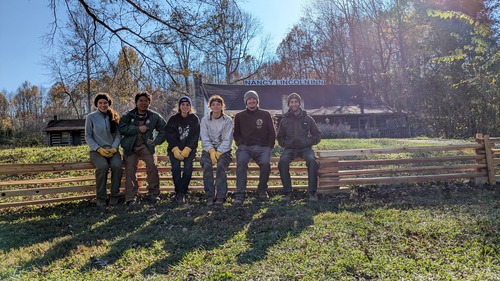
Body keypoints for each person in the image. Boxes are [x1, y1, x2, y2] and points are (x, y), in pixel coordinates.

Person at [119, 91, 167, 205]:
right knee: (130, 169)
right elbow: (122, 128)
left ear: (149, 103)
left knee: (152, 166)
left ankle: (153, 194)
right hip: (131, 147)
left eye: (146, 101)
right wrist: (138, 129)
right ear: (136, 102)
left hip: (146, 146)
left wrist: (156, 141)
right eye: (141, 101)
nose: (143, 103)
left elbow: (164, 129)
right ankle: (131, 198)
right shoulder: (127, 115)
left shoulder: (154, 116)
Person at [233, 90, 276, 206]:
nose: (251, 101)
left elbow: (272, 133)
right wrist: (241, 144)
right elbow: (236, 134)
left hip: (262, 148)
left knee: (266, 164)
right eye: (249, 99)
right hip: (245, 148)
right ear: (246, 102)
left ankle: (262, 190)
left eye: (254, 99)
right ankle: (240, 194)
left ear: (257, 101)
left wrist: (269, 147)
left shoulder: (265, 114)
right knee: (241, 162)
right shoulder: (239, 116)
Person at [277, 93, 321, 202]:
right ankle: (287, 193)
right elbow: (280, 137)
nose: (294, 104)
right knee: (282, 161)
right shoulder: (284, 120)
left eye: (296, 101)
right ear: (289, 104)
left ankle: (312, 193)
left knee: (312, 161)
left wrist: (307, 142)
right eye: (291, 102)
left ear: (299, 103)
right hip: (290, 149)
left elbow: (317, 135)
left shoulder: (308, 118)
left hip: (305, 149)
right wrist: (285, 144)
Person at [85, 93, 123, 207]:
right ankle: (101, 198)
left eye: (105, 103)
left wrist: (114, 148)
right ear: (96, 104)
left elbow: (118, 135)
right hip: (96, 151)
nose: (103, 105)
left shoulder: (114, 116)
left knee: (117, 166)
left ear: (109, 104)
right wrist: (98, 148)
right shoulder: (90, 117)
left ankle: (114, 196)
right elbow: (88, 136)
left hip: (112, 150)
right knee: (103, 167)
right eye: (100, 103)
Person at [165, 96, 200, 204]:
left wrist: (188, 148)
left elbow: (195, 136)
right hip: (174, 149)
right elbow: (170, 135)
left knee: (188, 167)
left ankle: (182, 193)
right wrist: (175, 148)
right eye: (183, 104)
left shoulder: (194, 119)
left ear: (190, 107)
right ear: (179, 106)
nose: (185, 107)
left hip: (189, 149)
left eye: (187, 105)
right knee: (175, 168)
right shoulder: (173, 119)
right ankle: (178, 192)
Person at [199, 95, 233, 207]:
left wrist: (219, 152)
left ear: (222, 106)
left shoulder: (227, 120)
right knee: (207, 166)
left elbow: (228, 139)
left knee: (221, 166)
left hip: (224, 150)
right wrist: (211, 151)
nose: (216, 106)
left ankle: (221, 195)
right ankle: (209, 196)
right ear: (210, 106)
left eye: (218, 104)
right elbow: (204, 137)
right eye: (213, 104)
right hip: (208, 149)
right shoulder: (205, 120)